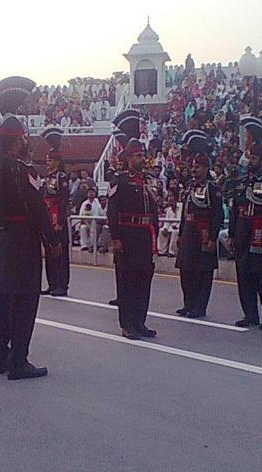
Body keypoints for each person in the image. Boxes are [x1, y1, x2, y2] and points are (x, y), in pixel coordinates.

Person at [0, 76, 60, 380]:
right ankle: (19, 360)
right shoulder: (21, 169)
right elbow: (36, 209)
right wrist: (51, 239)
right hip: (24, 243)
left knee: (4, 297)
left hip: (5, 240)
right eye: (25, 137)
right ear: (18, 141)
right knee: (26, 299)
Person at [108, 109, 159, 340]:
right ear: (128, 158)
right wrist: (116, 238)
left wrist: (155, 235)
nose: (141, 160)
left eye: (142, 156)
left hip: (144, 237)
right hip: (127, 236)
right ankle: (127, 324)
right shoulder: (119, 180)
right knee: (127, 282)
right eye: (137, 156)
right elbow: (112, 210)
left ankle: (140, 322)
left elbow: (154, 211)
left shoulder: (148, 180)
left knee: (143, 281)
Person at [228, 144, 262, 330]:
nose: (251, 162)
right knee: (244, 275)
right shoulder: (240, 183)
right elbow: (234, 211)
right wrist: (232, 234)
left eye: (255, 158)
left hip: (260, 232)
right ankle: (250, 314)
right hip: (242, 232)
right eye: (250, 158)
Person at [176, 151, 223, 319]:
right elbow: (184, 212)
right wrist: (181, 234)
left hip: (203, 233)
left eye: (198, 167)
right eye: (193, 166)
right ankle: (188, 303)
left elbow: (218, 216)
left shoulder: (212, 188)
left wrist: (212, 238)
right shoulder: (190, 186)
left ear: (205, 168)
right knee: (186, 270)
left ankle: (200, 307)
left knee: (203, 272)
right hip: (189, 232)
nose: (194, 169)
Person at [40, 127, 70, 297]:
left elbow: (65, 200)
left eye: (50, 160)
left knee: (61, 251)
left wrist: (60, 220)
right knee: (50, 250)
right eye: (47, 160)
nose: (48, 163)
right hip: (47, 217)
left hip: (57, 216)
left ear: (57, 162)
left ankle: (62, 284)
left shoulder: (61, 177)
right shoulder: (47, 178)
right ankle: (51, 283)